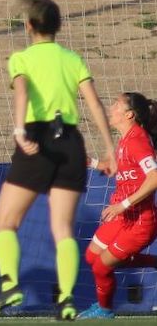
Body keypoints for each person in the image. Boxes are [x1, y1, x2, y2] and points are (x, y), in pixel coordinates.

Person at [0, 0, 115, 320]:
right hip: (71, 142)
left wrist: (18, 130)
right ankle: (67, 299)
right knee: (63, 228)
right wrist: (110, 150)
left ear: (29, 26)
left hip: (37, 139)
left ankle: (10, 287)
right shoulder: (72, 59)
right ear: (58, 27)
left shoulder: (22, 58)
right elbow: (95, 104)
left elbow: (23, 90)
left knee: (6, 222)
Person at [77, 92, 157, 319]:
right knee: (93, 258)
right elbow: (117, 169)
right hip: (125, 217)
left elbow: (154, 178)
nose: (110, 109)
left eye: (116, 105)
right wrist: (89, 161)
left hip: (140, 221)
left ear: (129, 114)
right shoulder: (126, 140)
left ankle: (104, 311)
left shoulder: (138, 141)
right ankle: (154, 262)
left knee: (101, 267)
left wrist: (122, 205)